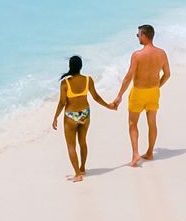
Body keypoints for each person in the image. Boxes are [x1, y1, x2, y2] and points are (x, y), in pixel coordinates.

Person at [112, 24, 172, 167]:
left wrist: (119, 95)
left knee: (133, 124)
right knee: (152, 122)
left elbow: (128, 77)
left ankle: (135, 154)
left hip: (139, 92)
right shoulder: (162, 53)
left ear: (144, 36)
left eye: (138, 35)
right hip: (153, 92)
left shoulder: (137, 55)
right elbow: (167, 74)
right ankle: (150, 152)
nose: (137, 37)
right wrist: (157, 87)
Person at [51, 56, 116, 182]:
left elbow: (62, 103)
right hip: (85, 114)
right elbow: (96, 97)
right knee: (83, 141)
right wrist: (109, 106)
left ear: (70, 66)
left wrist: (55, 117)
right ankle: (82, 168)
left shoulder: (65, 83)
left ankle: (77, 174)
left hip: (71, 116)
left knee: (71, 146)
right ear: (81, 66)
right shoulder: (88, 80)